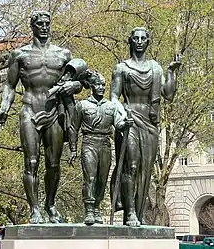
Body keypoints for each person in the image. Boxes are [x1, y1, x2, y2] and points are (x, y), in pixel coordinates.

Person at [0, 11, 86, 224]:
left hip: (54, 111)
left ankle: (50, 205)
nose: (44, 27)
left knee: (53, 164)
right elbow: (9, 85)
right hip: (29, 109)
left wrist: (74, 85)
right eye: (40, 24)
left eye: (47, 23)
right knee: (32, 161)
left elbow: (80, 82)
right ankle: (34, 209)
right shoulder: (19, 55)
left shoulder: (63, 54)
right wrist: (3, 109)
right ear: (32, 26)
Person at [110, 27, 181, 226]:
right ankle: (130, 213)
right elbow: (113, 97)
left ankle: (139, 214)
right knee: (131, 166)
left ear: (147, 41)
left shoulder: (156, 68)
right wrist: (122, 114)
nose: (140, 41)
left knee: (145, 171)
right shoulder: (121, 68)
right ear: (130, 41)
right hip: (130, 119)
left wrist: (171, 72)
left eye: (143, 38)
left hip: (150, 122)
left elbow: (168, 94)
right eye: (136, 38)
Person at [71, 71, 131, 225]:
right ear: (91, 86)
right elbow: (73, 128)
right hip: (89, 143)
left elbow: (118, 124)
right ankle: (89, 209)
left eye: (103, 85)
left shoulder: (111, 106)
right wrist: (73, 148)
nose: (101, 87)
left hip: (105, 144)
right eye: (98, 84)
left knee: (102, 179)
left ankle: (97, 207)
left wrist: (125, 124)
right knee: (90, 177)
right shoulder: (82, 105)